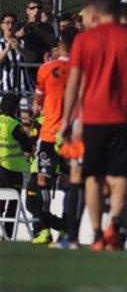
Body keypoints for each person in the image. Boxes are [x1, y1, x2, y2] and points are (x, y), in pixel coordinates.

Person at [60, 0, 127, 251]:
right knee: (122, 175)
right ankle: (113, 225)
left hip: (93, 118)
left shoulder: (83, 41)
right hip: (124, 116)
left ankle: (97, 234)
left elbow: (75, 83)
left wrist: (67, 120)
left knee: (93, 176)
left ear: (97, 12)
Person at [29, 28, 74, 244]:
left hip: (49, 134)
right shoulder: (83, 69)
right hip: (73, 135)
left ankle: (45, 230)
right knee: (69, 183)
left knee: (43, 179)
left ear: (60, 45)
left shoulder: (46, 69)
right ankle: (66, 231)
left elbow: (37, 103)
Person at [0, 93, 32, 238]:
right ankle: (7, 235)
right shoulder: (13, 125)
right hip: (12, 170)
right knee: (13, 204)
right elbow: (27, 147)